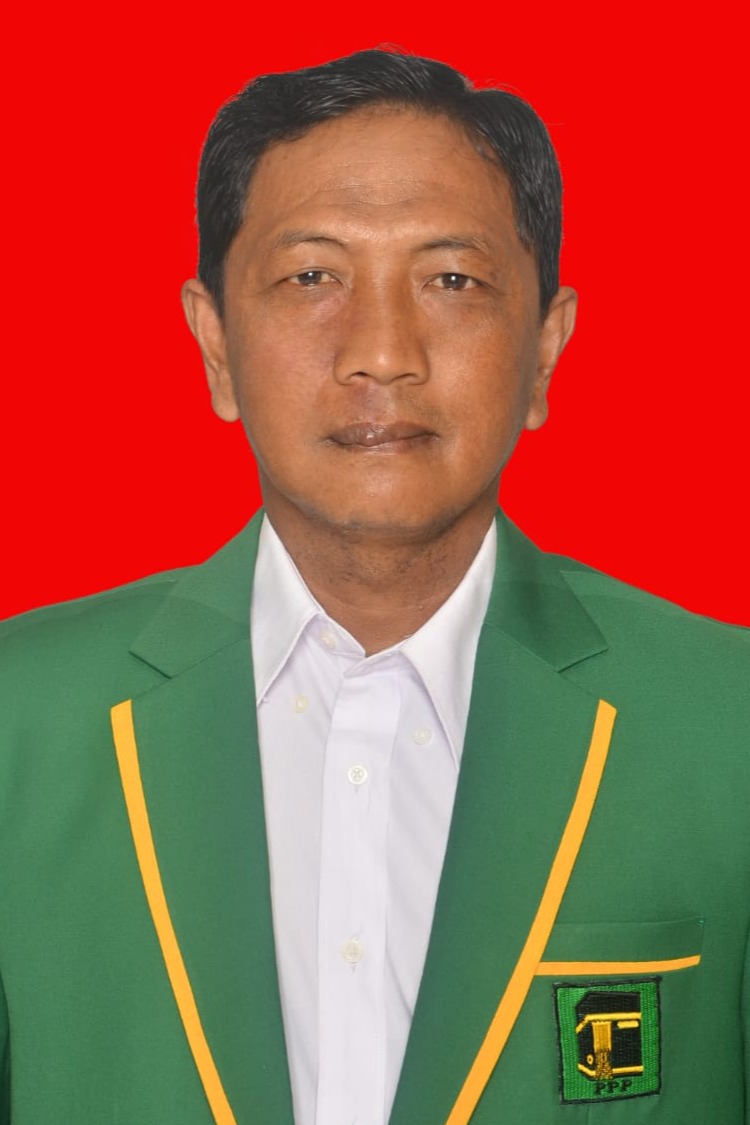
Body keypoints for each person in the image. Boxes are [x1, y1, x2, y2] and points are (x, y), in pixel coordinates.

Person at [0, 48, 748, 1125]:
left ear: (545, 349)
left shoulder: (727, 722)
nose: (383, 353)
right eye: (313, 277)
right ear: (215, 344)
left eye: (452, 280)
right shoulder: (22, 721)